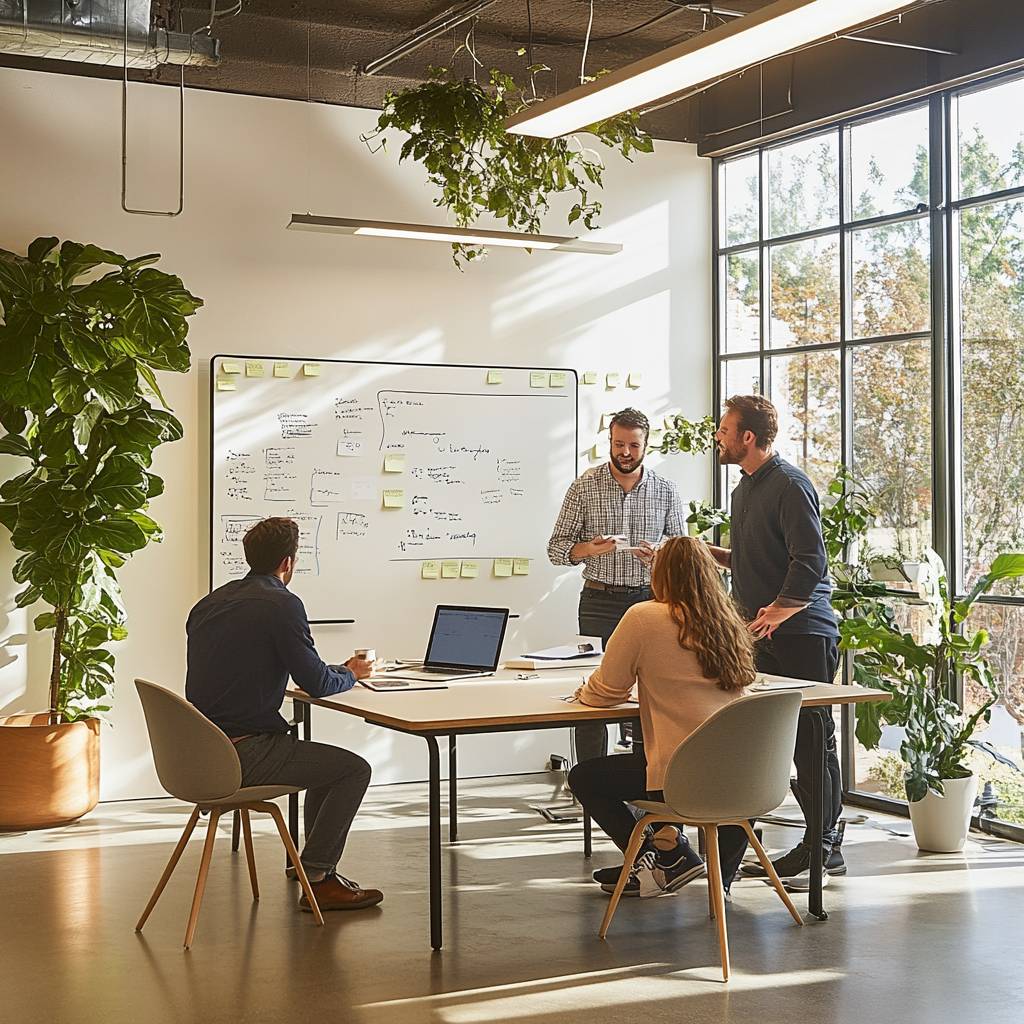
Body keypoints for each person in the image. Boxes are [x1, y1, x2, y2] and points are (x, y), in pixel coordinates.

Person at [186, 516, 383, 912]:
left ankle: (310, 868)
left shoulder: (209, 603)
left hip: (201, 754)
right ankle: (320, 880)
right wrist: (351, 671)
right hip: (244, 754)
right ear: (288, 563)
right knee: (353, 769)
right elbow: (318, 683)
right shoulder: (282, 604)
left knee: (321, 763)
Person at [566, 536, 756, 897]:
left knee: (585, 778)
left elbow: (605, 693)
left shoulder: (644, 616)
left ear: (660, 574)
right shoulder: (727, 619)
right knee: (706, 777)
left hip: (682, 775)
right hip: (749, 775)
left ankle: (656, 858)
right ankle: (719, 882)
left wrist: (581, 692)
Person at [707, 395, 845, 890]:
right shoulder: (744, 490)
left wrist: (779, 610)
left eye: (724, 430)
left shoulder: (789, 484)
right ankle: (817, 841)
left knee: (812, 739)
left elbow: (810, 560)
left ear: (747, 437)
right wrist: (708, 554)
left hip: (803, 634)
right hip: (760, 633)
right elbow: (752, 559)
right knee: (778, 741)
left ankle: (825, 845)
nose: (718, 437)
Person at [547, 407, 686, 763]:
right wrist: (587, 549)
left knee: (652, 690)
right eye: (619, 443)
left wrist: (658, 556)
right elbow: (557, 549)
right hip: (598, 600)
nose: (625, 452)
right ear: (609, 441)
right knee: (592, 688)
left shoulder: (665, 490)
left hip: (651, 602)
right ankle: (588, 779)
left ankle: (648, 776)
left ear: (646, 445)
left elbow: (681, 550)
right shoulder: (584, 486)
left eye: (633, 445)